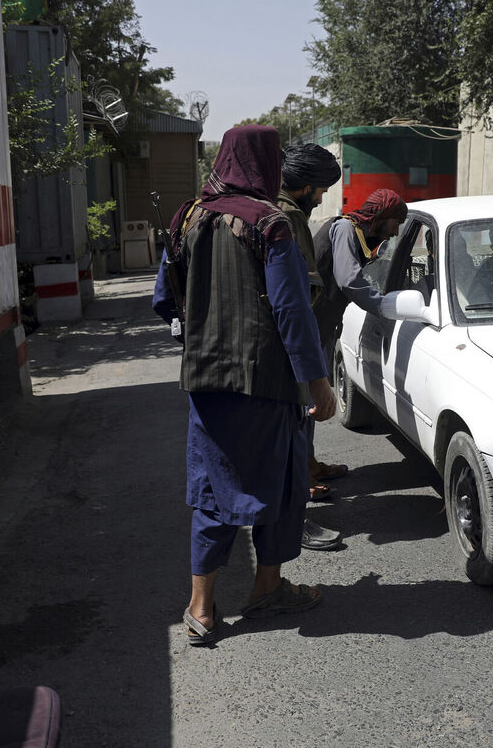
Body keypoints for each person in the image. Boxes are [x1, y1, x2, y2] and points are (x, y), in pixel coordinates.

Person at [151, 125, 336, 646]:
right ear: (268, 165)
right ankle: (266, 589)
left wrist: (200, 336)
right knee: (280, 485)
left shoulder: (187, 216)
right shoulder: (270, 223)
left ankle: (201, 608)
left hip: (206, 382)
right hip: (269, 383)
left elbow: (164, 300)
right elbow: (292, 312)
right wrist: (317, 383)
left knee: (213, 490)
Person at [278, 144, 349, 505]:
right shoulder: (286, 217)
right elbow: (298, 297)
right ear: (306, 188)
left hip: (288, 341)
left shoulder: (282, 211)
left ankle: (306, 469)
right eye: (320, 191)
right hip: (290, 344)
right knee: (296, 416)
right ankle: (298, 492)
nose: (321, 200)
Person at [311, 188, 407, 353]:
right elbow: (349, 279)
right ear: (382, 215)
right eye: (396, 223)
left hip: (320, 327)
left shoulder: (359, 235)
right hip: (311, 326)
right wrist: (383, 305)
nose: (396, 232)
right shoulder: (345, 228)